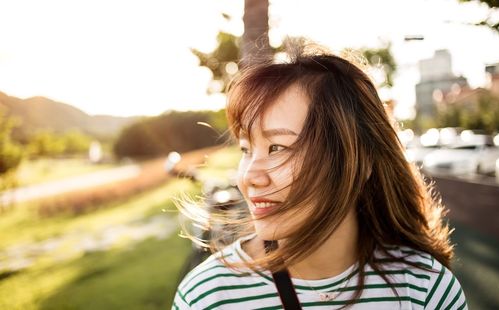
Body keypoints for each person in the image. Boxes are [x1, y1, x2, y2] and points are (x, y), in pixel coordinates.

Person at [172, 43, 468, 309]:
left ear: (357, 161)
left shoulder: (423, 288)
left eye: (277, 147)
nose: (249, 177)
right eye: (246, 149)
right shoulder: (208, 296)